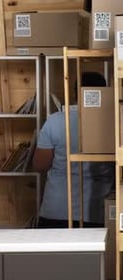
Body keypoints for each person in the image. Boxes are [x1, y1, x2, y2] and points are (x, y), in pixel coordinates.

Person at [32, 71, 114, 228]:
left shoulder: (55, 121)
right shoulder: (114, 122)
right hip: (95, 210)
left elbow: (40, 165)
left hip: (57, 209)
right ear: (104, 93)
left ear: (75, 92)